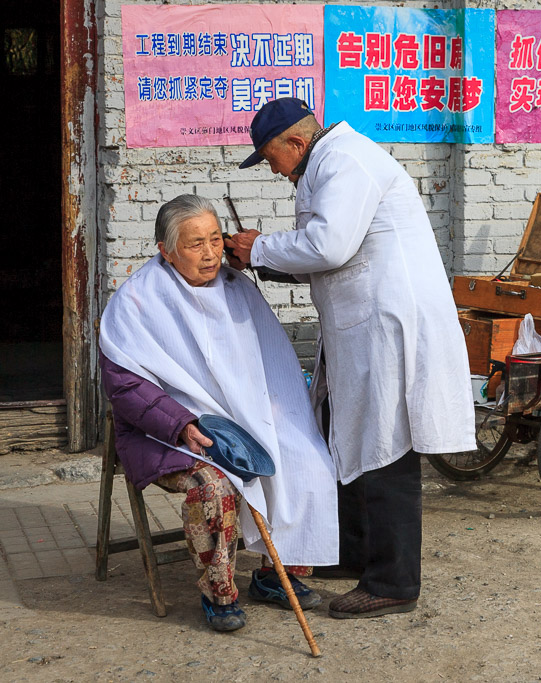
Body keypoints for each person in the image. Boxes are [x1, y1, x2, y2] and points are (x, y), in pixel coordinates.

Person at [227, 98, 476, 619]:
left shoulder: (345, 161)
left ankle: (394, 582)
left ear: (295, 143)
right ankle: (354, 552)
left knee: (386, 447)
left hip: (388, 326)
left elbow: (329, 246)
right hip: (363, 328)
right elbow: (318, 257)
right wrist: (258, 257)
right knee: (348, 435)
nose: (272, 169)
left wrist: (262, 248)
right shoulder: (325, 165)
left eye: (271, 157)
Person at [99, 194, 339, 632]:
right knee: (213, 486)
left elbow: (270, 362)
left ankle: (272, 574)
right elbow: (126, 386)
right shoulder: (138, 300)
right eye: (195, 244)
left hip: (238, 417)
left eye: (215, 239)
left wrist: (278, 418)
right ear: (165, 249)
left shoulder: (235, 287)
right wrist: (180, 424)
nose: (210, 253)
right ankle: (218, 592)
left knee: (305, 456)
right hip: (164, 430)